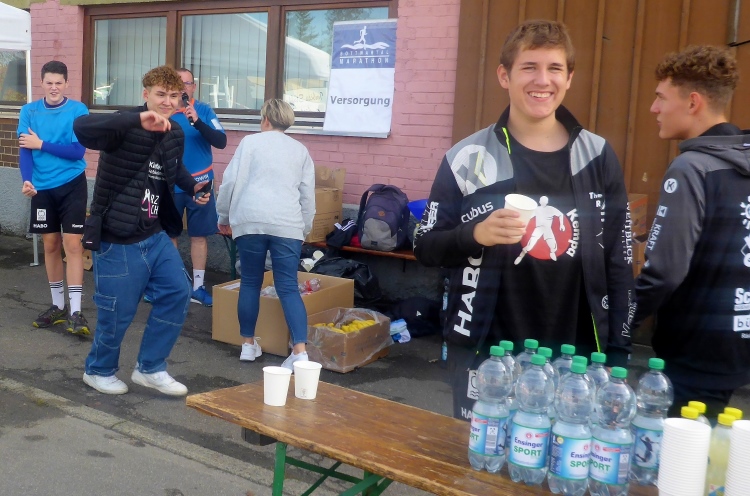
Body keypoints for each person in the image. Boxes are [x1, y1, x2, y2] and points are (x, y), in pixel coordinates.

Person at [414, 20, 633, 420]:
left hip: (577, 358)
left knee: (563, 454)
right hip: (487, 352)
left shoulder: (597, 156)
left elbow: (618, 262)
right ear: (505, 76)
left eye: (554, 68)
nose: (542, 80)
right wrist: (475, 234)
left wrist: (618, 348)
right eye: (529, 67)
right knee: (478, 457)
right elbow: (425, 246)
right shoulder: (467, 157)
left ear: (569, 78)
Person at [73, 66, 210, 396]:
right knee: (117, 312)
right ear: (145, 94)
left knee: (178, 293)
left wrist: (193, 187)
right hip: (118, 236)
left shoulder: (175, 132)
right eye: (160, 94)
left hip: (155, 233)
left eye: (174, 96)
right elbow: (81, 127)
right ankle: (98, 370)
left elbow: (174, 169)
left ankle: (151, 368)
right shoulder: (123, 124)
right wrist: (135, 120)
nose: (167, 102)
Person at [629, 45, 750, 420]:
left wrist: (621, 320)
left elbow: (664, 271)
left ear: (693, 102)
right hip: (736, 348)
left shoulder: (692, 168)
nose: (654, 108)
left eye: (661, 98)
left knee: (681, 449)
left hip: (693, 352)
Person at [216, 99, 315, 370]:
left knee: (250, 282)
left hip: (250, 220)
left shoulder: (249, 143)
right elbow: (307, 196)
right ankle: (300, 352)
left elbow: (229, 182)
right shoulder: (300, 150)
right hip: (287, 224)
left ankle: (248, 345)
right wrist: (304, 228)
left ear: (266, 120)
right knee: (288, 286)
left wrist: (223, 216)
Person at [18, 60, 90, 335]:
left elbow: (77, 152)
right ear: (41, 83)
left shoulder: (78, 110)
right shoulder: (29, 111)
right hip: (42, 188)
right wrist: (27, 180)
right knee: (50, 245)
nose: (54, 87)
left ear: (67, 83)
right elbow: (25, 151)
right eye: (49, 82)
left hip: (72, 184)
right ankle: (58, 306)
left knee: (73, 245)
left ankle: (76, 312)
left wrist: (42, 144)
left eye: (59, 82)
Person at [168, 68, 227, 307]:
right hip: (170, 184)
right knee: (169, 235)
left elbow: (221, 141)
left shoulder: (203, 110)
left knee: (199, 235)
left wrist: (198, 122)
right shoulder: (164, 112)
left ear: (193, 87)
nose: (182, 88)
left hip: (201, 183)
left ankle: (198, 287)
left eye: (187, 83)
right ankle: (173, 285)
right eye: (177, 83)